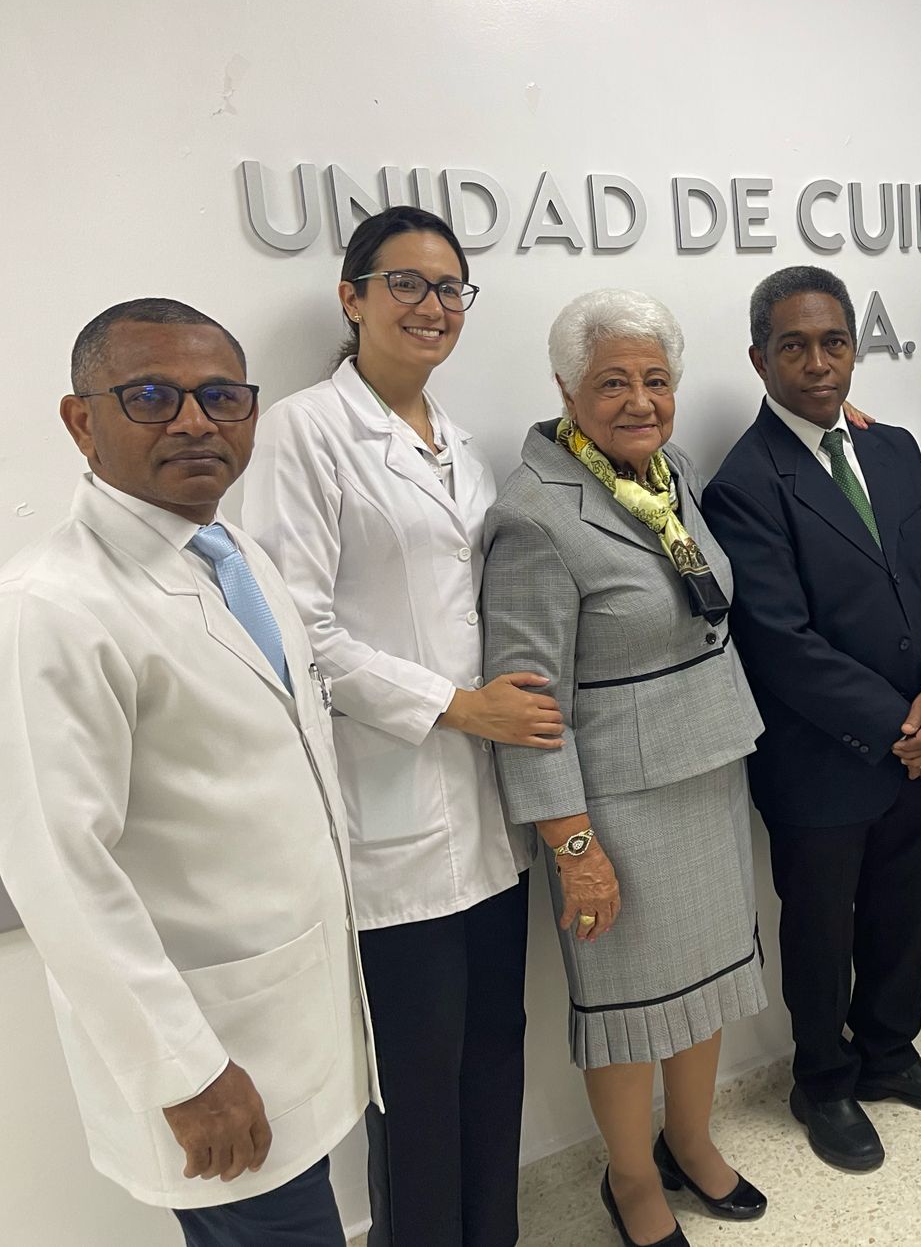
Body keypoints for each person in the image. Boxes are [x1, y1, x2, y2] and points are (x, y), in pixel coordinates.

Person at [0, 299, 376, 1245]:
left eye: (221, 396)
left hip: (293, 1013)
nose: (195, 421)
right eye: (152, 396)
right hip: (208, 1052)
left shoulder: (234, 554)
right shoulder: (51, 607)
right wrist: (184, 1071)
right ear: (81, 419)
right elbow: (60, 873)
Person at [241, 206, 561, 1247]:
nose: (433, 306)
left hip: (488, 819)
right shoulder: (304, 428)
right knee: (415, 1089)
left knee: (495, 1059)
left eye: (451, 288)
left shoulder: (462, 445)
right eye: (408, 284)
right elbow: (297, 630)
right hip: (392, 823)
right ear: (353, 296)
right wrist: (457, 705)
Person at [482, 289, 767, 1247]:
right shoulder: (534, 514)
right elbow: (527, 706)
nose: (639, 400)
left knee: (709, 982)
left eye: (655, 380)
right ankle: (632, 1175)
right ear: (566, 388)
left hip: (710, 765)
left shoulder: (668, 471)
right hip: (617, 806)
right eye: (612, 382)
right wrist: (571, 842)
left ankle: (690, 1139)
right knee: (630, 1009)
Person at [703, 266, 921, 1175]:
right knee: (821, 931)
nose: (818, 363)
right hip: (823, 758)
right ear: (759, 358)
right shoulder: (744, 482)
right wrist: (904, 723)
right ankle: (822, 1078)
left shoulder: (894, 447)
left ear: (854, 347)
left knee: (902, 912)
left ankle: (890, 1053)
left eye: (833, 342)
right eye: (794, 346)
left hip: (920, 739)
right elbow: (778, 640)